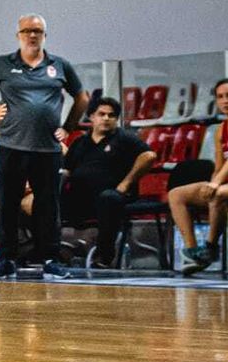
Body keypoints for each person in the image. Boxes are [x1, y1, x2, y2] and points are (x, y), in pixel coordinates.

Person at [0, 15, 88, 279]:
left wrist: (68, 127)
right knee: (7, 204)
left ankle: (50, 260)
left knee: (48, 206)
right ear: (18, 35)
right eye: (27, 31)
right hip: (11, 145)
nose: (32, 35)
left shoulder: (59, 65)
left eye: (38, 31)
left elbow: (81, 97)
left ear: (45, 35)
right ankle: (7, 260)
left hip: (47, 149)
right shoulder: (2, 64)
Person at [170, 79, 228, 272]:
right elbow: (219, 166)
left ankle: (210, 248)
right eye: (220, 97)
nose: (225, 101)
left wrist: (215, 185)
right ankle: (193, 251)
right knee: (176, 194)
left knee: (217, 194)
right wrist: (212, 182)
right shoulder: (220, 130)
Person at [59, 97, 156, 269]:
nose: (106, 118)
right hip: (83, 197)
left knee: (108, 198)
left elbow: (149, 156)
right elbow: (67, 171)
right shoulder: (80, 142)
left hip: (114, 196)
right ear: (91, 117)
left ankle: (104, 257)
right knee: (45, 201)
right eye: (101, 114)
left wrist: (125, 184)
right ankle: (46, 253)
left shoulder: (125, 138)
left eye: (111, 115)